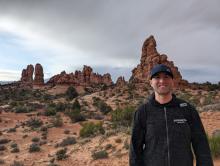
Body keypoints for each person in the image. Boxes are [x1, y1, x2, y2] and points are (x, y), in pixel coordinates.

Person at [129, 64, 213, 166]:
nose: (162, 81)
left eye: (166, 77)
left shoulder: (187, 110)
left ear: (172, 81)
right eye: (157, 77)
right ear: (151, 82)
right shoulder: (143, 112)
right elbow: (135, 150)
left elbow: (201, 145)